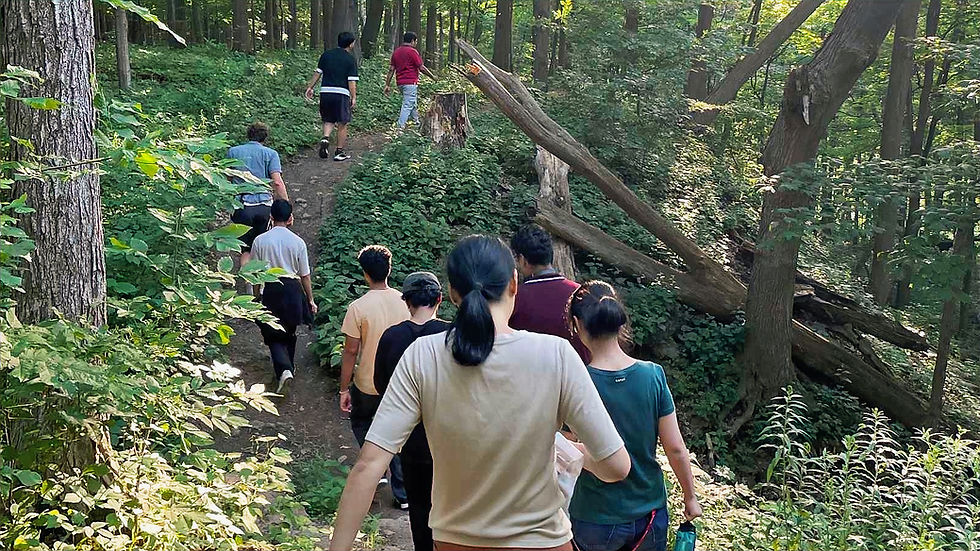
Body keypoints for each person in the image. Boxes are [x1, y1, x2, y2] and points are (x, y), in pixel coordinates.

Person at [328, 235, 631, 551]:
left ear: (452, 292)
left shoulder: (423, 355)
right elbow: (617, 467)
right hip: (543, 542)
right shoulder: (556, 354)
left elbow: (369, 465)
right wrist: (570, 452)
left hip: (454, 543)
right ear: (514, 283)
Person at [567, 281, 702, 551]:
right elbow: (675, 448)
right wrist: (690, 497)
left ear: (577, 325)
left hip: (594, 516)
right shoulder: (653, 375)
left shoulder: (577, 381)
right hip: (649, 516)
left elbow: (569, 443)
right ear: (620, 323)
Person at [373, 272, 450, 551]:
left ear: (406, 302)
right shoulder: (452, 335)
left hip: (411, 437)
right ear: (439, 299)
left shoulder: (391, 337)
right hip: (452, 436)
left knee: (418, 505)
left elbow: (380, 385)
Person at [339, 245, 410, 508]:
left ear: (365, 274)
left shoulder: (358, 307)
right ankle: (402, 493)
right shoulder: (406, 302)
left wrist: (344, 389)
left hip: (367, 382)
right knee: (399, 434)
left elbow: (350, 351)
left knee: (362, 422)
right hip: (399, 381)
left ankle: (377, 470)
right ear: (389, 270)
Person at [250, 200, 316, 394]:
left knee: (272, 335)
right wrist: (310, 300)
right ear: (290, 218)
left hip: (271, 288)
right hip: (293, 289)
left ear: (271, 217)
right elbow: (305, 275)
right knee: (289, 330)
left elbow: (255, 272)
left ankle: (285, 369)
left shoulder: (260, 240)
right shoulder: (298, 242)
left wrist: (256, 297)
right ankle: (289, 366)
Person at [510, 224, 591, 362]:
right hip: (579, 376)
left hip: (530, 377)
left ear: (523, 259)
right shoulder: (581, 293)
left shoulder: (515, 298)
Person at [227, 122, 288, 272]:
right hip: (264, 207)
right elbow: (278, 183)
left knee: (246, 249)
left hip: (241, 205)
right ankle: (260, 288)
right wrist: (287, 206)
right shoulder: (271, 154)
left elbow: (227, 181)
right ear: (265, 137)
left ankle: (248, 285)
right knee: (261, 247)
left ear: (248, 135)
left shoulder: (233, 152)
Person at [305, 31, 358, 162]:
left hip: (325, 92)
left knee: (328, 119)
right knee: (342, 122)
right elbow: (351, 81)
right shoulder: (350, 60)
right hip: (341, 93)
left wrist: (310, 87)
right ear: (351, 44)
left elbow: (317, 73)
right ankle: (339, 151)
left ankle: (325, 138)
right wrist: (353, 97)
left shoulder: (326, 55)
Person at [383, 31, 437, 129]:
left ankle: (417, 124)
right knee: (407, 105)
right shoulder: (412, 52)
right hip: (410, 83)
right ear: (412, 41)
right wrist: (433, 76)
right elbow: (421, 68)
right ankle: (399, 127)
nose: (416, 44)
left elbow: (391, 69)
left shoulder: (396, 52)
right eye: (416, 41)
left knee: (412, 103)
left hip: (400, 83)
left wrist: (387, 84)